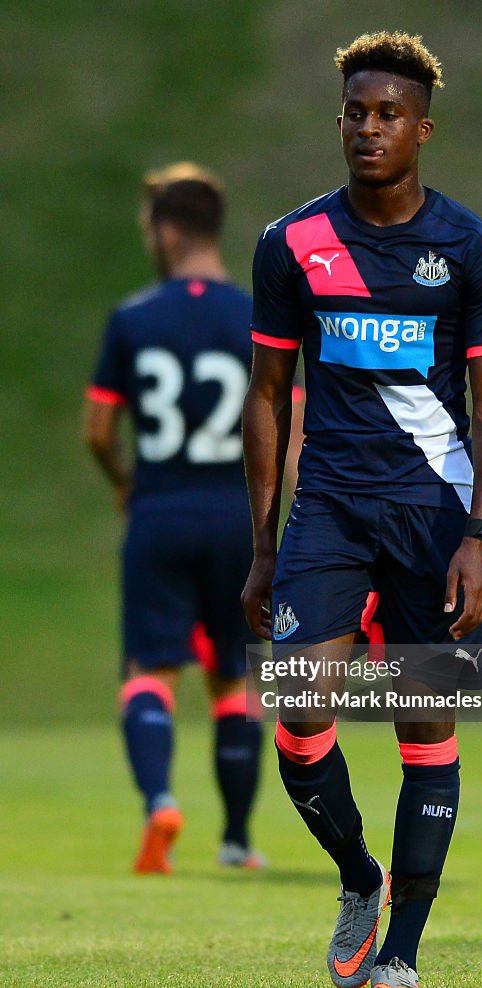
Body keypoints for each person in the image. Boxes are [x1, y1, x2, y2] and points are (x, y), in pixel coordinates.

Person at [241, 31, 482, 988]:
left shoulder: (473, 251)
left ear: (422, 130)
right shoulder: (292, 243)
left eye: (387, 114)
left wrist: (477, 539)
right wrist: (262, 544)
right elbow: (268, 394)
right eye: (355, 112)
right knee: (301, 705)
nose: (368, 128)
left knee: (422, 724)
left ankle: (402, 946)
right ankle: (359, 879)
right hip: (329, 511)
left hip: (432, 518)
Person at [85, 163, 289, 874]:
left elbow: (97, 429)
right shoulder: (255, 316)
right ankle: (235, 840)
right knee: (236, 678)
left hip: (160, 511)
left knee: (150, 669)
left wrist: (123, 483)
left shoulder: (134, 317)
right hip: (238, 517)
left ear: (166, 232)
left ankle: (160, 803)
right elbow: (287, 432)